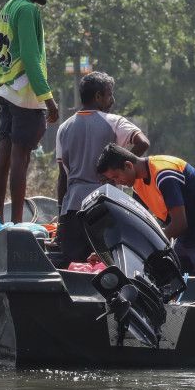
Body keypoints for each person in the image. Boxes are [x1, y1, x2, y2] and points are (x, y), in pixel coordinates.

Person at [54, 72, 150, 263]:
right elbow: (143, 142)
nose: (112, 100)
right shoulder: (114, 121)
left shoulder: (64, 127)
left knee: (75, 266)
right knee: (108, 265)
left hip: (73, 209)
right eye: (109, 94)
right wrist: (119, 167)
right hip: (106, 206)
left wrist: (61, 217)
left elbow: (63, 177)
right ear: (98, 96)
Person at [96, 144, 195, 273]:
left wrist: (148, 245)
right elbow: (133, 221)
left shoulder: (164, 174)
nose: (118, 182)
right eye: (112, 180)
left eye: (116, 176)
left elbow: (179, 224)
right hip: (190, 237)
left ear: (128, 165)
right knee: (163, 276)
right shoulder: (137, 182)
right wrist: (109, 249)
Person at [0, 0, 59, 224]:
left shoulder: (8, 7)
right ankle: (18, 224)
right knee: (21, 156)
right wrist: (49, 99)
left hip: (6, 88)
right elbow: (32, 58)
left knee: (5, 152)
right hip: (25, 93)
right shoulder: (28, 10)